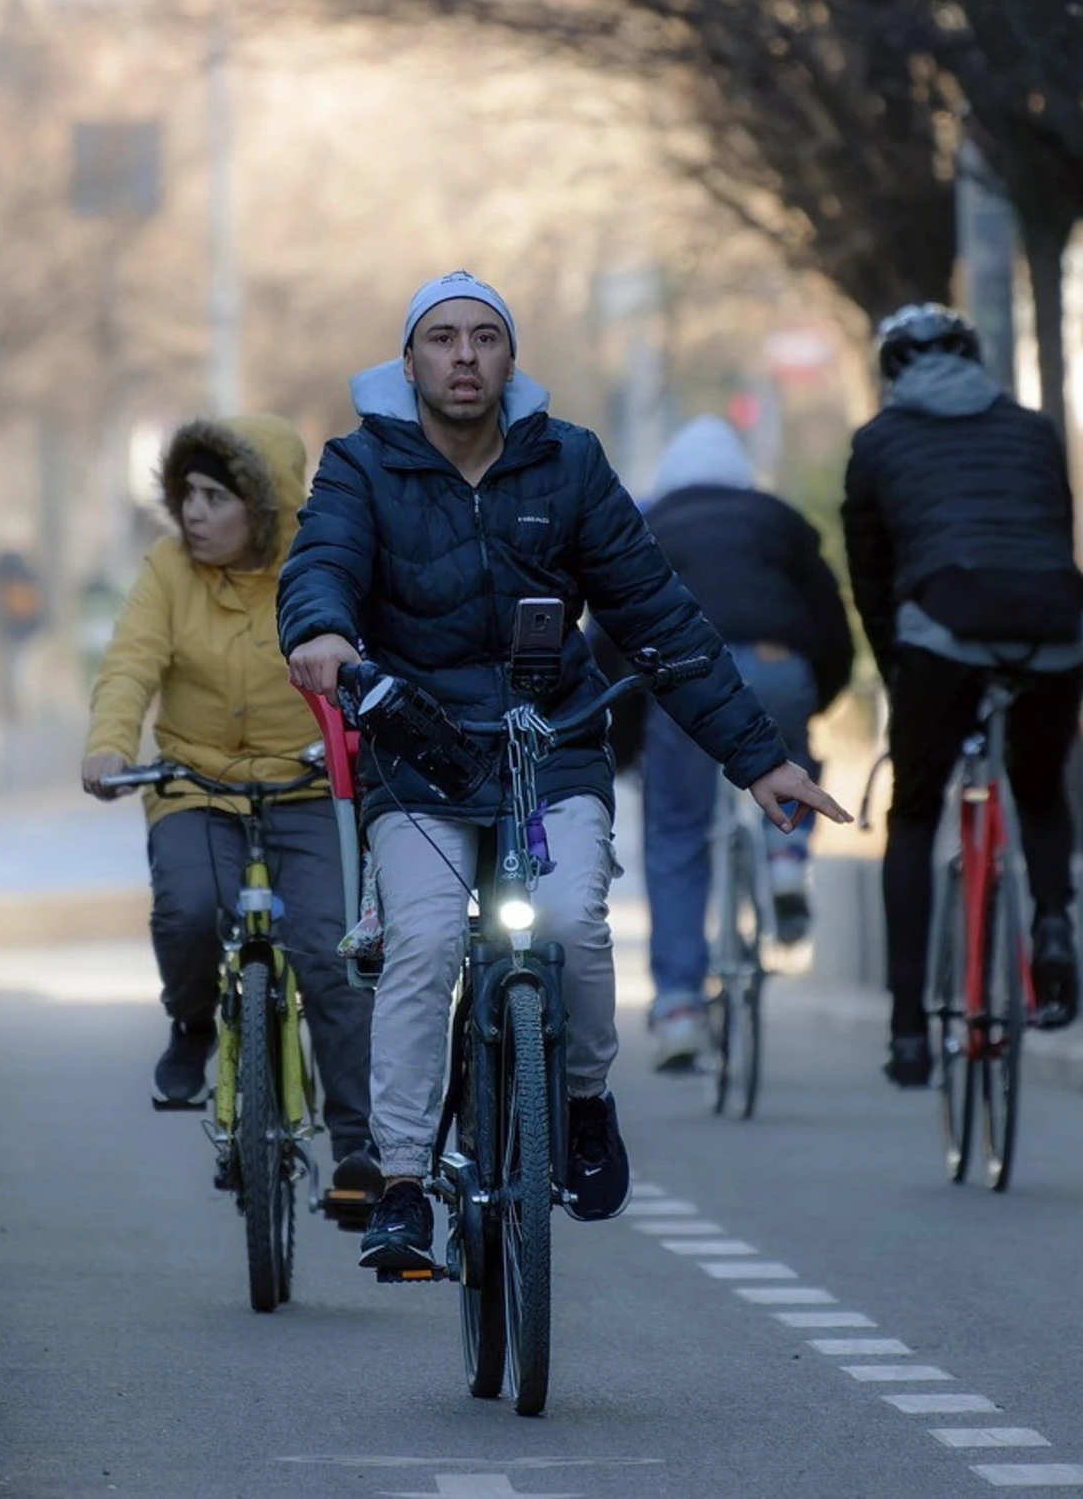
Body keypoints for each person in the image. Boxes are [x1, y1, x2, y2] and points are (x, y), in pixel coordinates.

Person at [278, 271, 849, 1270]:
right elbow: (319, 563)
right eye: (443, 339)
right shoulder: (358, 467)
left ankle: (583, 1102)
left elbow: (660, 621)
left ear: (510, 359)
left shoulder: (569, 463)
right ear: (406, 361)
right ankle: (404, 1181)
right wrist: (322, 631)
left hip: (553, 749)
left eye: (485, 337)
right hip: (416, 755)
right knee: (420, 943)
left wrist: (761, 764)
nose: (464, 355)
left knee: (572, 920)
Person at [81, 413, 379, 1204]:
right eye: (187, 496)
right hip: (195, 783)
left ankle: (358, 1147)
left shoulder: (318, 568)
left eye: (218, 497)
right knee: (188, 908)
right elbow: (130, 664)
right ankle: (189, 1025)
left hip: (309, 786)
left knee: (330, 953)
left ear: (267, 504)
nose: (196, 514)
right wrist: (111, 743)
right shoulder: (167, 570)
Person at [842, 304, 1083, 1089]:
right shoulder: (1034, 430)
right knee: (1041, 786)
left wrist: (898, 674)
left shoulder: (878, 443)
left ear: (890, 370)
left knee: (914, 813)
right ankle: (1052, 920)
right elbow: (1054, 529)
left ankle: (909, 1029)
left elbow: (871, 581)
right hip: (1055, 625)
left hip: (942, 633)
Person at [635, 415, 855, 1071]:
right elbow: (831, 625)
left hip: (687, 686)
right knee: (789, 748)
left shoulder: (651, 528)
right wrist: (816, 701)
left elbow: (615, 641)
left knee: (676, 833)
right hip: (778, 664)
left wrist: (621, 748)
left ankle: (677, 1004)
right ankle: (787, 852)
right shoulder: (778, 519)